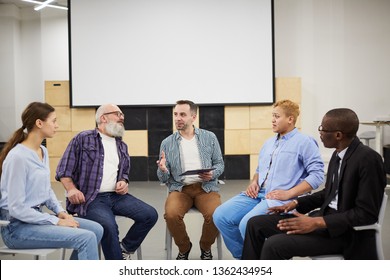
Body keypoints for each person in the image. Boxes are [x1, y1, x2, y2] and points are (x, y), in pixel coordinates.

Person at [242, 108, 387, 260]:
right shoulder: (338, 154)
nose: (320, 133)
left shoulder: (368, 159)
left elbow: (367, 214)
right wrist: (295, 203)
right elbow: (329, 193)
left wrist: (318, 222)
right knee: (255, 224)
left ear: (338, 135)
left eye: (323, 129)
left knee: (274, 245)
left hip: (345, 234)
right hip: (324, 222)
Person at [213, 99, 324, 259]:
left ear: (290, 119)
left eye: (277, 116)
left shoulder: (304, 142)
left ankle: (260, 263)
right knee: (221, 216)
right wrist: (254, 182)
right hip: (258, 195)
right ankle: (244, 258)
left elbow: (317, 175)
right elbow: (260, 170)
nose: (272, 120)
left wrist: (289, 194)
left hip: (279, 199)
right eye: (272, 116)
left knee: (247, 224)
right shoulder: (268, 143)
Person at [0, 102, 103, 260]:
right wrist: (55, 221)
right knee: (86, 238)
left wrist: (61, 213)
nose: (57, 125)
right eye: (54, 121)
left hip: (36, 219)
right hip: (16, 228)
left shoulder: (43, 151)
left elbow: (46, 191)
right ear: (39, 123)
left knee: (96, 229)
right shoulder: (17, 158)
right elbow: (16, 208)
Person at [56, 103, 158, 260]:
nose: (122, 117)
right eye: (118, 114)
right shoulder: (83, 139)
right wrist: (71, 189)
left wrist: (123, 182)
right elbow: (63, 170)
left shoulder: (122, 146)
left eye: (122, 115)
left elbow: (123, 173)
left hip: (116, 197)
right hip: (91, 198)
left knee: (150, 215)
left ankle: (124, 248)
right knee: (108, 226)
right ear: (103, 118)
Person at [157, 100, 224, 260]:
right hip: (180, 189)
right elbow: (162, 178)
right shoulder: (167, 143)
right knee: (171, 214)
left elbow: (220, 164)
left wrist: (212, 174)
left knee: (217, 214)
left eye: (182, 114)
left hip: (205, 187)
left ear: (193, 117)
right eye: (175, 114)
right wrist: (163, 169)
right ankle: (184, 247)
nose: (178, 118)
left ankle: (205, 247)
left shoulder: (209, 137)